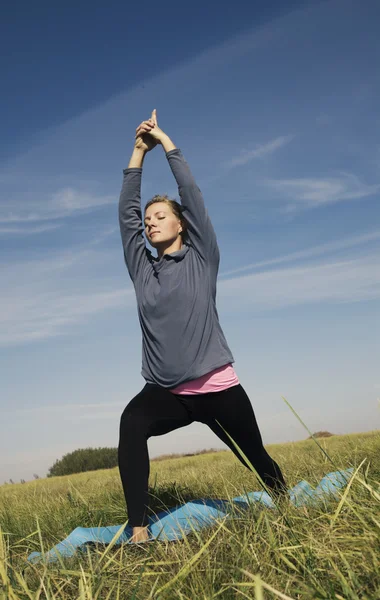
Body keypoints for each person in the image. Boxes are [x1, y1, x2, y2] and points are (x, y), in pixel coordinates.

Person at [118, 109, 286, 542]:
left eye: (160, 215)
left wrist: (167, 145)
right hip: (167, 393)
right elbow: (125, 216)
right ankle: (138, 530)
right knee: (131, 422)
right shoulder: (142, 269)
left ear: (181, 224)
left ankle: (284, 502)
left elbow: (191, 194)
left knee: (255, 458)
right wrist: (138, 153)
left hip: (217, 389)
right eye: (148, 217)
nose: (150, 221)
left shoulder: (201, 256)